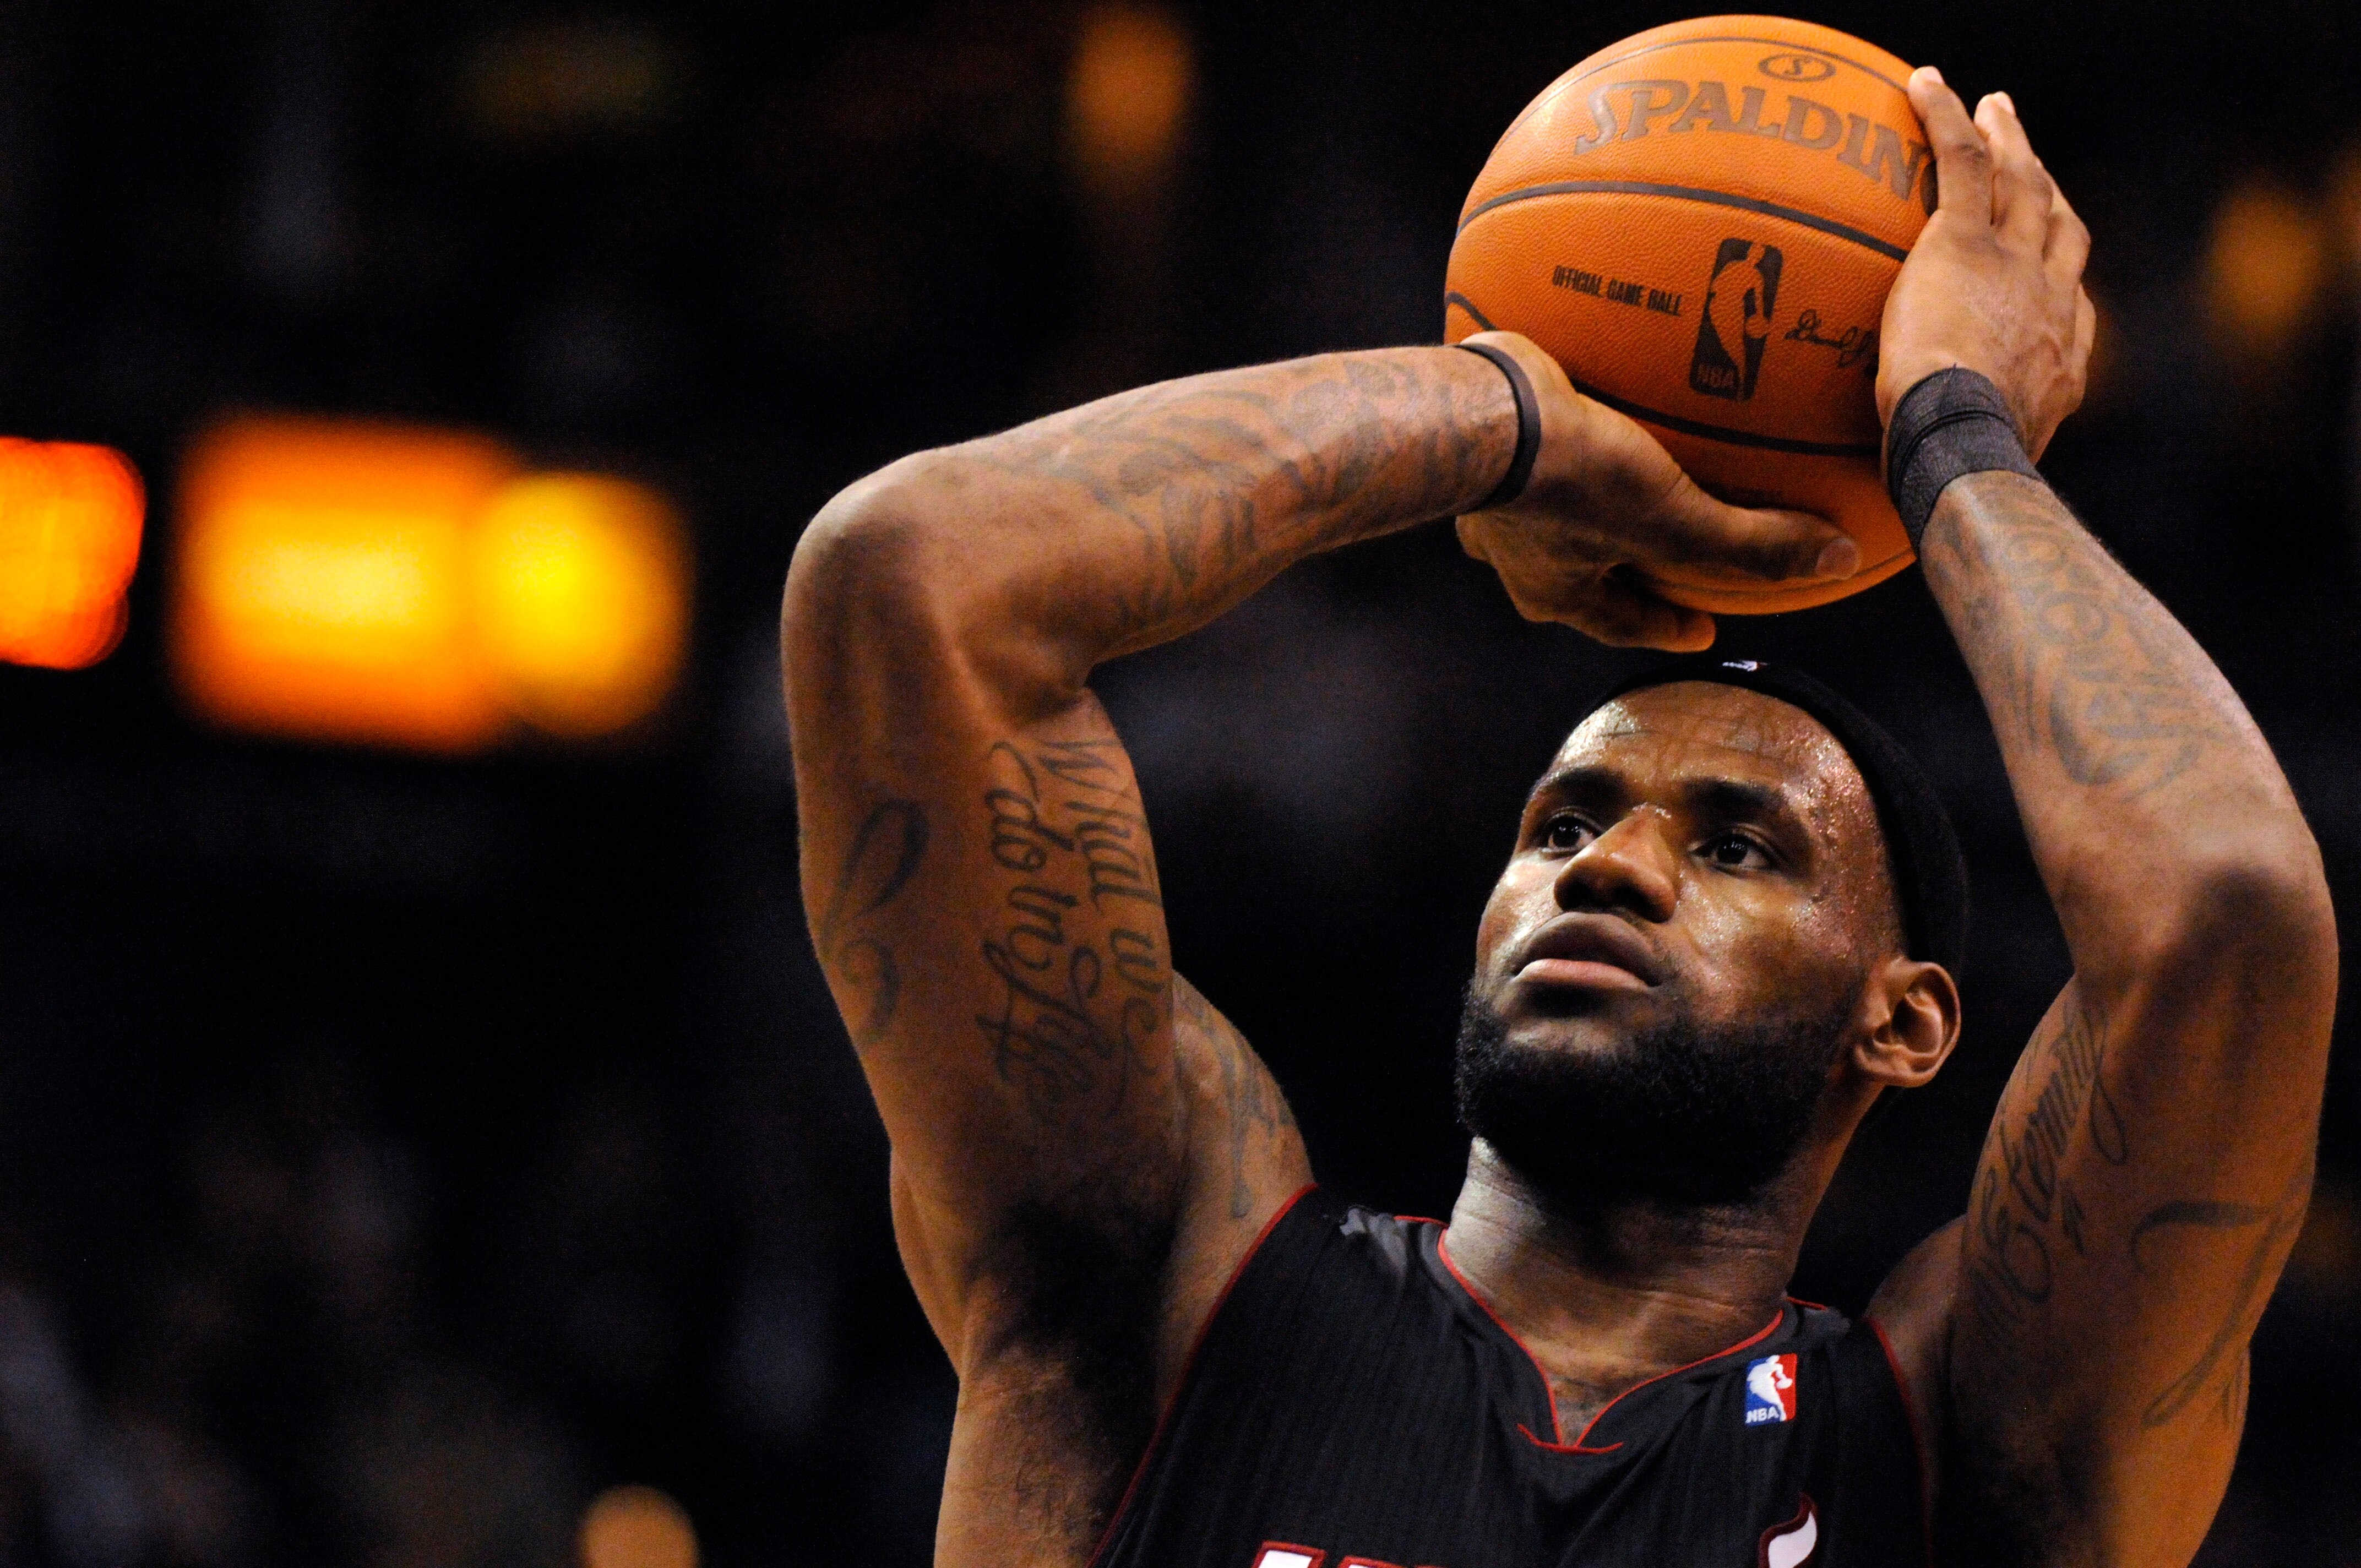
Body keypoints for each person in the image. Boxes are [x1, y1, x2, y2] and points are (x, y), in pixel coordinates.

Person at [780, 69, 2335, 1568]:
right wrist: (1509, 409)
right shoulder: (1170, 1292)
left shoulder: (1962, 1439)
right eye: (1559, 823)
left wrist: (1952, 435)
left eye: (1738, 844)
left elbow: (2228, 913)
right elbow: (905, 579)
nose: (1611, 863)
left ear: (1907, 1019)